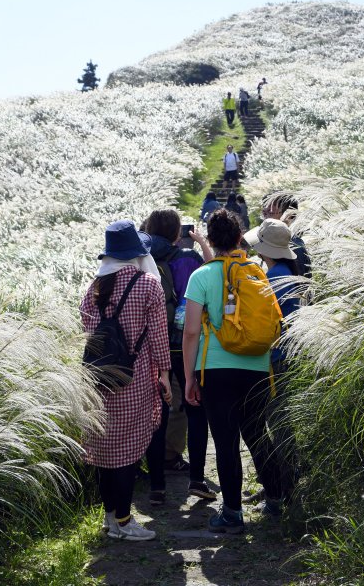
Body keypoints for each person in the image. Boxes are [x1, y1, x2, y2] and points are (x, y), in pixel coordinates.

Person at [183, 209, 282, 533]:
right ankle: (277, 502)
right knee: (257, 437)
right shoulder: (255, 271)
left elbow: (192, 332)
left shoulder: (201, 276)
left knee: (226, 443)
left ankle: (232, 514)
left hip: (216, 370)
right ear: (240, 239)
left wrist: (189, 377)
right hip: (256, 366)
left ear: (209, 240)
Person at [81, 220, 172, 541]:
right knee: (127, 453)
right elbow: (159, 338)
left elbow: (88, 336)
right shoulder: (148, 285)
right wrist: (164, 375)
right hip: (134, 382)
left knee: (105, 450)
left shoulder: (94, 289)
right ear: (135, 252)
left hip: (98, 380)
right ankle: (123, 521)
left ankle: (109, 518)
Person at [144, 210, 215, 505]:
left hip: (153, 344)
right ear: (177, 232)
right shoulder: (188, 257)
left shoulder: (140, 257)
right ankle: (196, 480)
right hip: (187, 342)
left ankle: (157, 485)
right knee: (195, 406)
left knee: (157, 409)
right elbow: (213, 274)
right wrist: (201, 244)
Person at [243, 218, 300, 503]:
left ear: (264, 249)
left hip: (273, 361)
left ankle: (284, 491)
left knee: (277, 425)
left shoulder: (273, 279)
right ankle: (280, 486)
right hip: (288, 359)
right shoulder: (289, 273)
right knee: (281, 423)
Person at [262, 193, 311, 278]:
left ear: (289, 214)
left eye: (270, 211)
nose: (265, 210)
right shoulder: (277, 242)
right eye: (265, 207)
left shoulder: (294, 246)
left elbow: (299, 286)